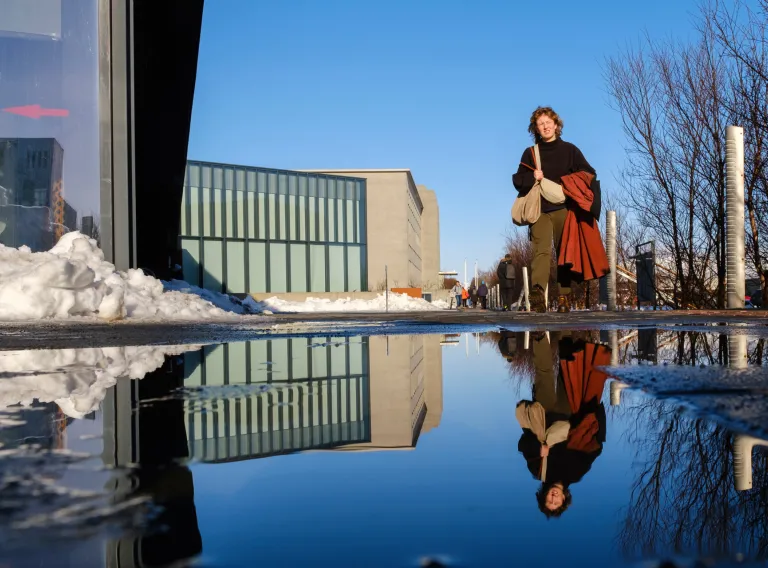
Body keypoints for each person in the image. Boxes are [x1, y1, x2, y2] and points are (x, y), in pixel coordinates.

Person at [515, 332, 611, 518]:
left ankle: (540, 335)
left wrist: (538, 448)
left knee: (544, 373)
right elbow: (596, 446)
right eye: (556, 502)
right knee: (567, 370)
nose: (553, 497)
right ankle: (566, 333)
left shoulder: (538, 471)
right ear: (565, 498)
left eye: (548, 500)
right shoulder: (576, 472)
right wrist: (596, 411)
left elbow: (522, 444)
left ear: (543, 496)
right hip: (570, 412)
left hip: (545, 414)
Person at [512, 107, 596, 313]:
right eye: (540, 124)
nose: (545, 126)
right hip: (539, 209)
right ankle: (538, 295)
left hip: (564, 209)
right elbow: (517, 180)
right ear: (536, 129)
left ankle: (564, 297)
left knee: (564, 253)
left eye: (548, 122)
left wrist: (567, 184)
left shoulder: (570, 150)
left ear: (557, 125)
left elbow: (588, 174)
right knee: (541, 251)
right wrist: (533, 177)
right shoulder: (531, 153)